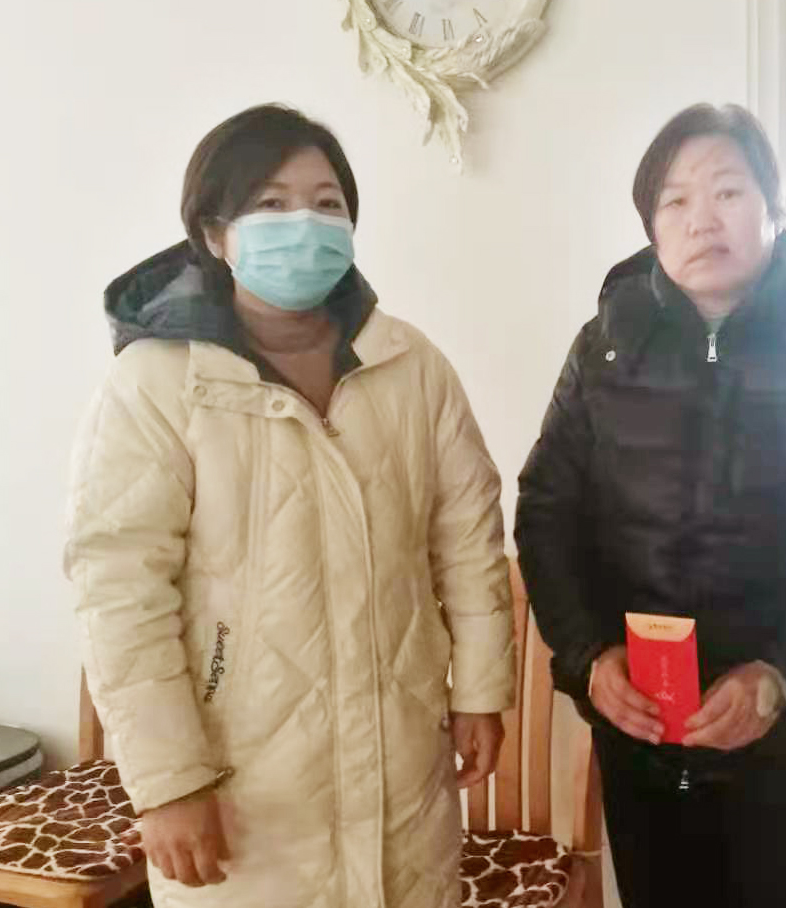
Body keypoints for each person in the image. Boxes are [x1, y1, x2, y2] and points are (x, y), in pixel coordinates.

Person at [64, 104, 515, 908]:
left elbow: (468, 538)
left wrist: (479, 689)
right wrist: (168, 781)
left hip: (402, 776)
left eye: (326, 203)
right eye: (271, 204)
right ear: (214, 233)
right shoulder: (158, 382)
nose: (303, 224)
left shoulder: (410, 365)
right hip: (243, 790)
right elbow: (119, 591)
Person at [515, 103, 786, 908]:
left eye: (727, 193)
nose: (701, 219)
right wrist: (589, 658)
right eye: (674, 200)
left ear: (773, 207)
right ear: (650, 225)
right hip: (644, 742)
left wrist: (785, 676)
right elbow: (546, 514)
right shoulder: (603, 350)